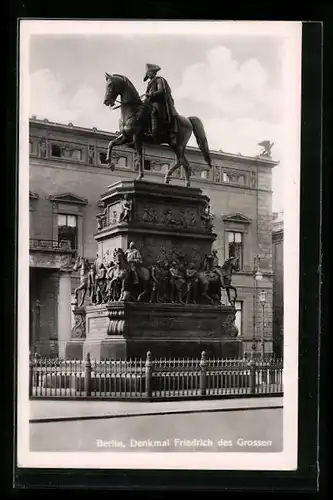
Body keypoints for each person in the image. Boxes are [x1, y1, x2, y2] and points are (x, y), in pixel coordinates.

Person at [143, 63, 178, 139]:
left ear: (154, 73)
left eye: (150, 73)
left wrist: (151, 94)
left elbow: (161, 91)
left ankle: (153, 132)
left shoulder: (159, 80)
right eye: (148, 73)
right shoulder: (150, 82)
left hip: (158, 102)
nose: (148, 74)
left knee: (153, 112)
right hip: (151, 102)